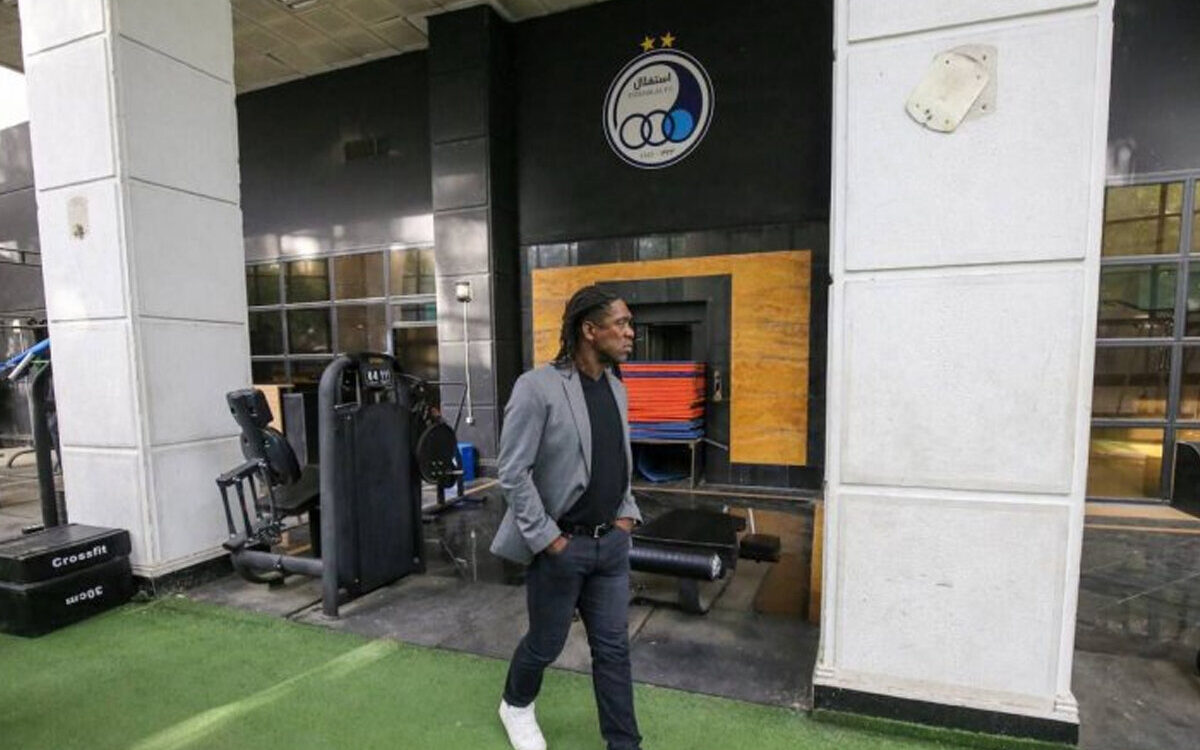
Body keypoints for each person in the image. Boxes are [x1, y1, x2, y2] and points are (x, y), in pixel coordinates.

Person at [490, 285, 643, 750]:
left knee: (613, 650)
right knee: (546, 643)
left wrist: (626, 515)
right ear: (589, 329)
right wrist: (549, 539)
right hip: (562, 547)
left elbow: (617, 462)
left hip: (610, 546)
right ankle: (516, 704)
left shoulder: (617, 389)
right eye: (621, 324)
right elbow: (513, 472)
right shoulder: (537, 387)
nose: (630, 333)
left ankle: (624, 744)